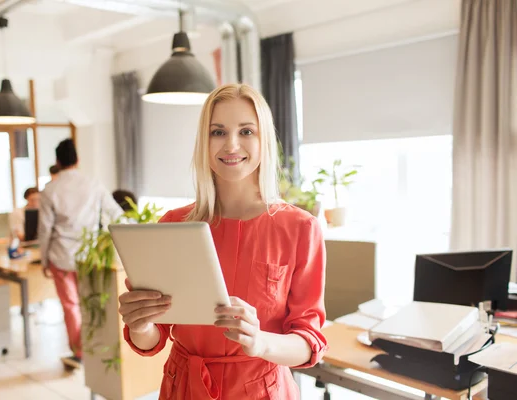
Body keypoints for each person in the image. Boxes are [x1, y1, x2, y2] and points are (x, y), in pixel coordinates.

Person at [117, 84, 327, 399]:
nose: (231, 144)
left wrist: (261, 341)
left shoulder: (299, 228)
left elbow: (308, 342)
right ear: (205, 141)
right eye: (218, 132)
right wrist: (140, 324)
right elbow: (153, 337)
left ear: (264, 140)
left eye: (246, 131)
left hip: (261, 390)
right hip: (184, 388)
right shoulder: (174, 224)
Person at [38, 139, 124, 369]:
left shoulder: (49, 190)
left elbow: (45, 229)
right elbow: (116, 213)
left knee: (70, 306)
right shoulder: (93, 184)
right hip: (90, 256)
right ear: (77, 160)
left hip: (61, 257)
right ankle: (95, 348)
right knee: (90, 303)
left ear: (57, 161)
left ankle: (79, 352)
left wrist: (44, 258)